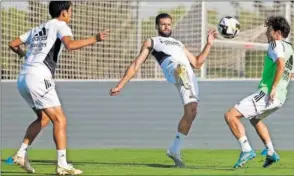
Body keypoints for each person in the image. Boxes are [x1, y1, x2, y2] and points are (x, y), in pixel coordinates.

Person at [8, 1, 108, 175]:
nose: (71, 14)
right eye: (70, 11)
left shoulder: (38, 28)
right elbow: (70, 45)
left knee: (44, 118)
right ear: (63, 13)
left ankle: (21, 153)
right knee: (60, 119)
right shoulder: (61, 25)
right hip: (40, 77)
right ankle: (62, 165)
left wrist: (24, 56)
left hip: (23, 78)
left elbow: (13, 43)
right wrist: (95, 38)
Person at [110, 13, 217, 167]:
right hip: (173, 69)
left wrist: (209, 44)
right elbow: (136, 64)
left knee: (192, 112)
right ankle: (179, 72)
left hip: (189, 75)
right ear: (157, 26)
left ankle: (174, 149)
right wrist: (120, 84)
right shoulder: (152, 41)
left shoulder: (179, 43)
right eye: (163, 24)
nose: (166, 27)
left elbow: (198, 63)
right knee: (179, 68)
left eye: (169, 24)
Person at [223, 16, 294, 168]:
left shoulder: (275, 44)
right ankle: (271, 152)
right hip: (280, 98)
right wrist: (279, 89)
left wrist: (273, 88)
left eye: (269, 30)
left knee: (230, 116)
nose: (266, 33)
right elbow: (290, 73)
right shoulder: (290, 49)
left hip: (268, 93)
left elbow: (281, 65)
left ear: (277, 33)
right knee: (255, 119)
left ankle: (246, 150)